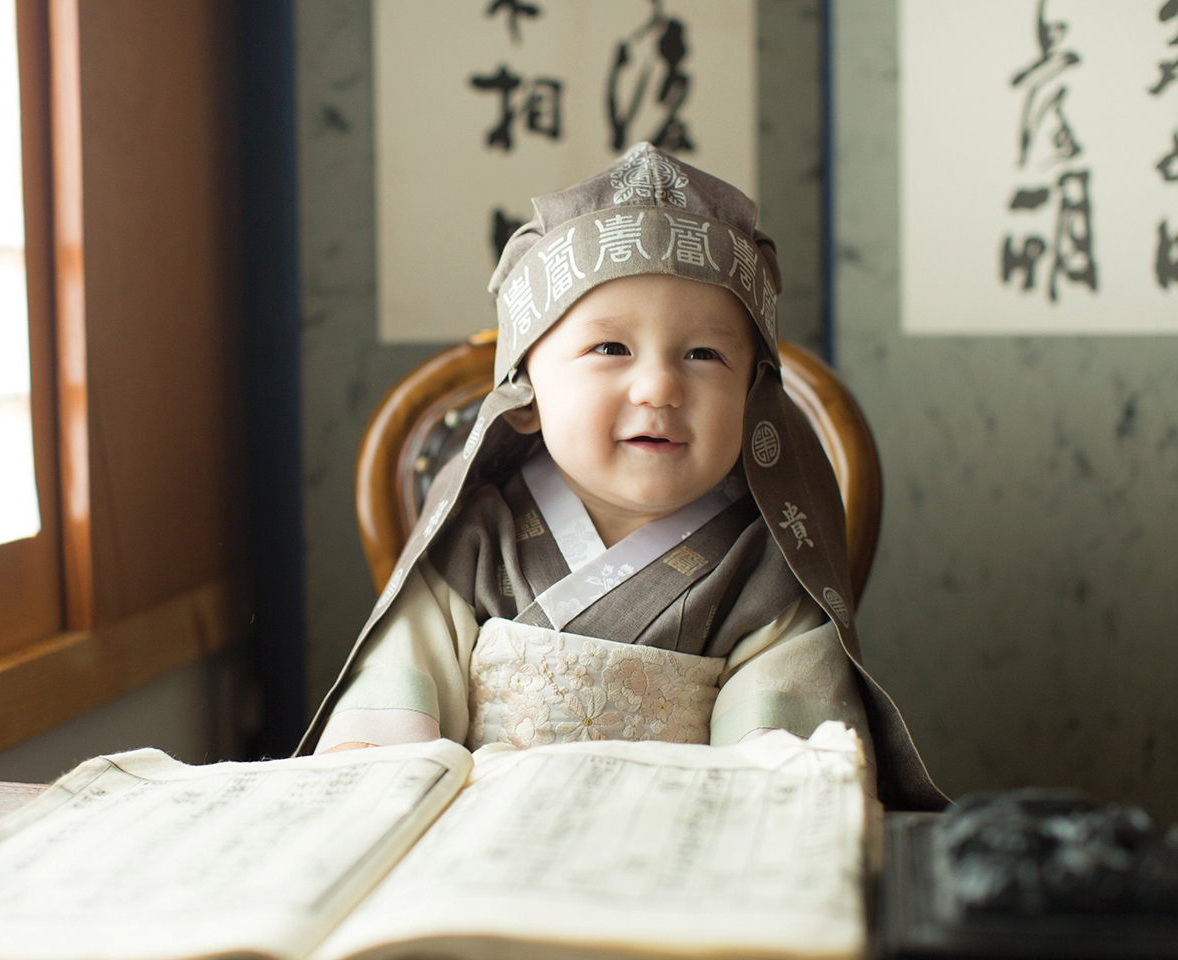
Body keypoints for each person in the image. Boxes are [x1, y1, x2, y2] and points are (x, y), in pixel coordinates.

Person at [296, 143, 946, 810]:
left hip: (675, 865)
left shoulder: (765, 567)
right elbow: (391, 723)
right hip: (481, 863)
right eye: (610, 348)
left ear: (753, 395)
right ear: (525, 386)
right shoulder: (474, 534)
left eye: (704, 353)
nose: (659, 386)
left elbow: (777, 779)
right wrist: (366, 776)